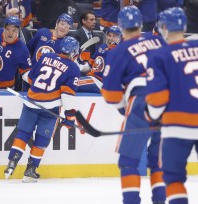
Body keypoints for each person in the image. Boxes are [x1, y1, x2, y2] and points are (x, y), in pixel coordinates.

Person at [100, 6, 166, 204]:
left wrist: (125, 109)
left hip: (142, 100)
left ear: (120, 25)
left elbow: (110, 94)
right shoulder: (159, 40)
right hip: (169, 101)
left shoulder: (119, 51)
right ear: (141, 23)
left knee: (128, 161)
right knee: (158, 161)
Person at [4, 36, 81, 183]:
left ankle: (12, 162)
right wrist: (70, 116)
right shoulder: (73, 68)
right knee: (42, 138)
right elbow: (67, 95)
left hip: (31, 102)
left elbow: (31, 77)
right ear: (74, 53)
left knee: (23, 133)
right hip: (49, 108)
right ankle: (30, 170)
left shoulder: (46, 56)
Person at [146, 7, 198, 204]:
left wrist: (152, 116)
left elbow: (157, 100)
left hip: (177, 127)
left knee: (174, 179)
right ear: (184, 26)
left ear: (163, 28)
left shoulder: (159, 55)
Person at [0, 16, 31, 90]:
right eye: (8, 29)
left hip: (6, 89)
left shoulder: (22, 49)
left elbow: (26, 71)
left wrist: (36, 83)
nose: (10, 33)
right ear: (4, 28)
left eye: (14, 30)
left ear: (18, 31)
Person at [78, 25, 122, 93]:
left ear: (119, 38)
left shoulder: (120, 51)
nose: (111, 38)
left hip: (101, 83)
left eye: (114, 36)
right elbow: (89, 66)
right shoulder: (101, 47)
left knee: (72, 83)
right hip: (92, 78)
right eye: (109, 35)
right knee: (70, 80)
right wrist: (77, 66)